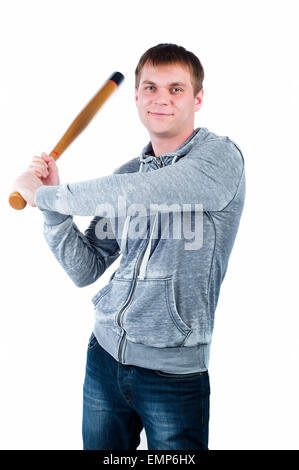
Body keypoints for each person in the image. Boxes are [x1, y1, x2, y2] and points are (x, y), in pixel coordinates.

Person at [11, 43, 246, 450]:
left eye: (176, 89)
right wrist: (52, 208)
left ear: (198, 98)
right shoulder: (129, 174)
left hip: (173, 375)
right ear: (136, 96)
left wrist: (43, 196)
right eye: (151, 87)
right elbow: (85, 268)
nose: (161, 99)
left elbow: (137, 193)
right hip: (104, 359)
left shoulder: (218, 160)